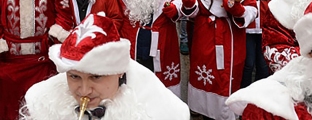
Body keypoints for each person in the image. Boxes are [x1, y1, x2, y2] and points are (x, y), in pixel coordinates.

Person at [20, 13, 190, 119]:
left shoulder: (158, 111)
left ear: (119, 72)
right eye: (74, 76)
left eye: (96, 77)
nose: (84, 91)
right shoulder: (47, 100)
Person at [0, 0, 74, 120]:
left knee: (41, 109)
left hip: (43, 57)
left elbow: (64, 10)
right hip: (9, 60)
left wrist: (56, 36)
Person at [100, 0, 190, 97]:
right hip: (131, 37)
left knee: (159, 82)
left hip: (161, 38)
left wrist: (175, 7)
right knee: (133, 79)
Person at [186, 0, 257, 120]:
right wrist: (188, 2)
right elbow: (193, 9)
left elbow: (251, 9)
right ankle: (206, 112)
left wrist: (237, 9)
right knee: (205, 73)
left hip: (231, 35)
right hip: (206, 33)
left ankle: (227, 113)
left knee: (228, 75)